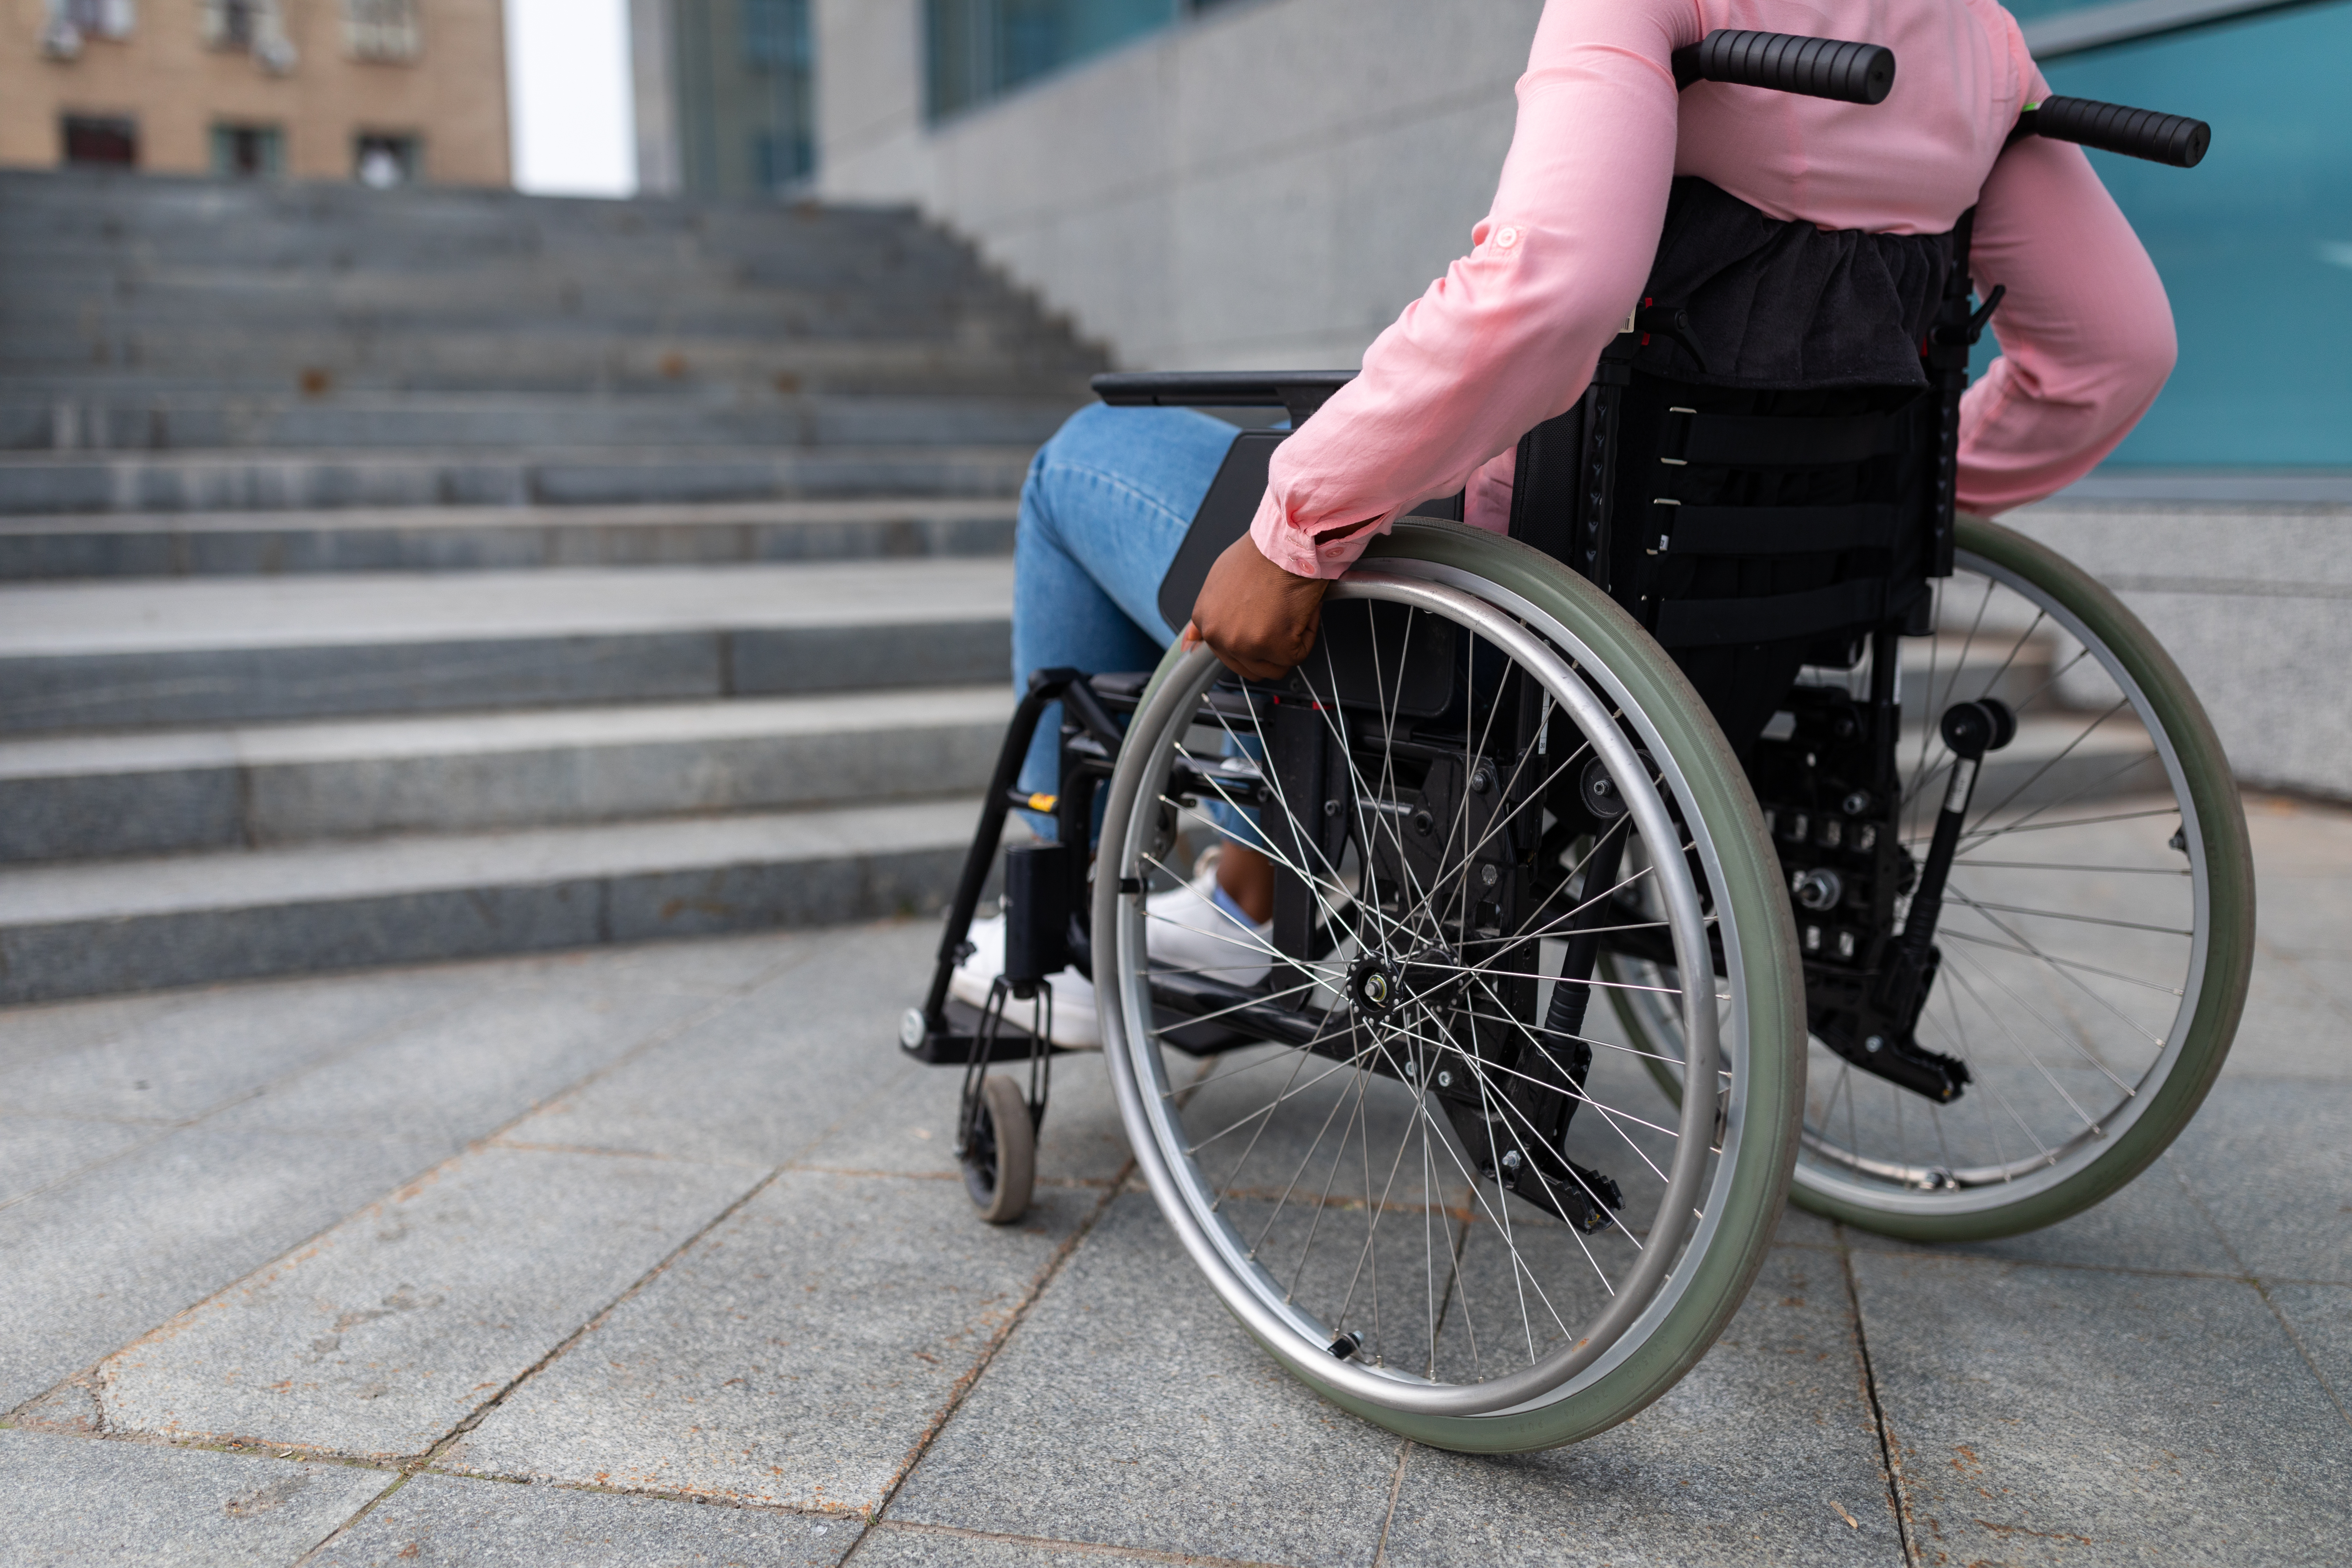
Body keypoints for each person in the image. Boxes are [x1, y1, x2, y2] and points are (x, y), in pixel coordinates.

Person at [952, 0, 2176, 1041]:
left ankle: (1083, 929)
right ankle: (1241, 876)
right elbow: (2114, 355)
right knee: (1324, 444)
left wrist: (1293, 529)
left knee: (1088, 462)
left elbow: (1553, 289)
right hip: (1717, 609)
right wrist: (1877, 515)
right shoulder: (1978, 43)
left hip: (1525, 580)